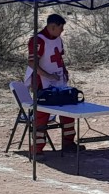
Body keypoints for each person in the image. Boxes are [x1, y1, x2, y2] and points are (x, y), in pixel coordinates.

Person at [23, 13, 81, 159]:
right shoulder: (38, 40)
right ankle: (36, 148)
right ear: (52, 26)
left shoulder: (58, 39)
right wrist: (47, 75)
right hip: (43, 84)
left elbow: (59, 58)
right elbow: (32, 63)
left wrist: (65, 71)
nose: (62, 32)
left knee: (67, 112)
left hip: (59, 82)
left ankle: (68, 143)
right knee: (42, 116)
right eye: (60, 28)